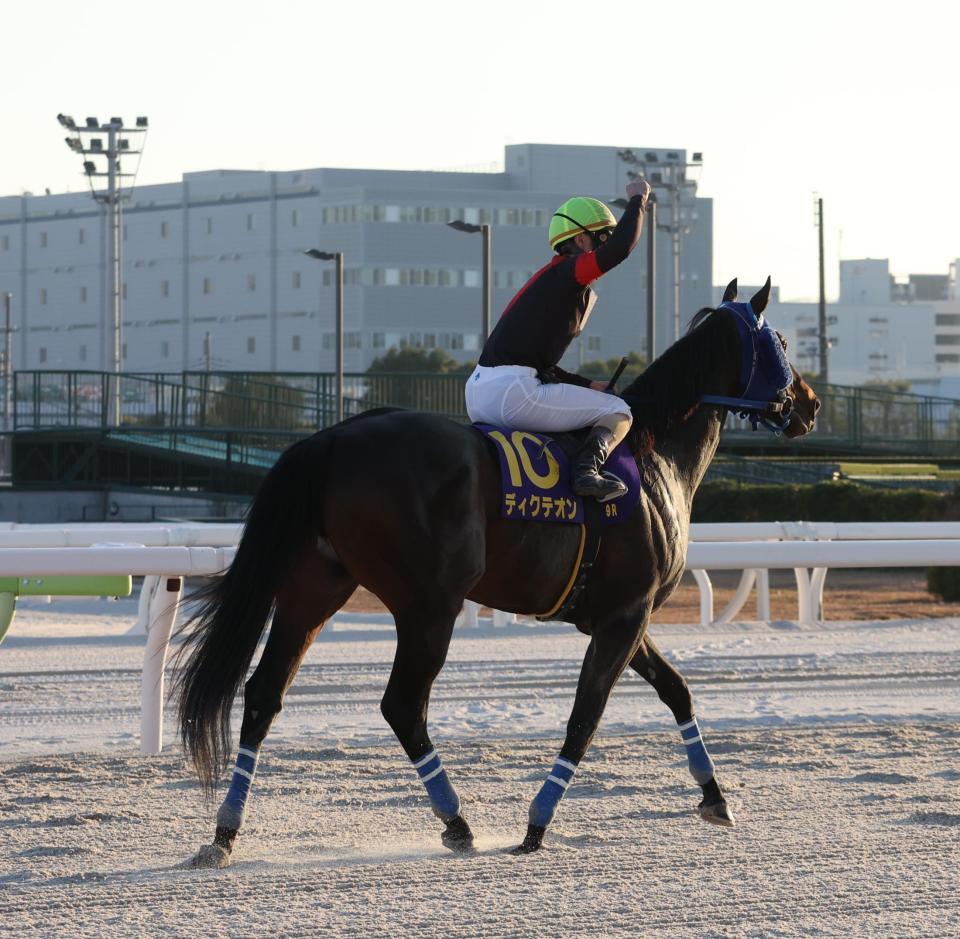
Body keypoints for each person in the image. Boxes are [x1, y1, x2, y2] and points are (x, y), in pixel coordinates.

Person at [465, 179, 652, 501]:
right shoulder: (568, 274)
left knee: (595, 402)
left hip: (479, 392)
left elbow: (538, 362)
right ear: (580, 240)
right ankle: (587, 474)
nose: (605, 247)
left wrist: (586, 384)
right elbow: (620, 249)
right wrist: (638, 200)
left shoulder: (550, 280)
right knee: (619, 412)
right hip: (513, 392)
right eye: (600, 240)